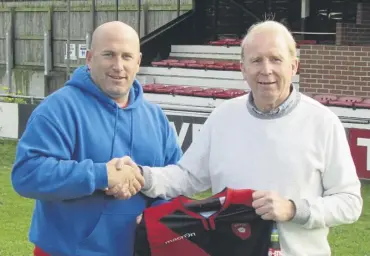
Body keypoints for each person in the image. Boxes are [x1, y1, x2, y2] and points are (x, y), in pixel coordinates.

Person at [116, 20, 363, 255]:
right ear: (243, 68)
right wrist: (142, 175)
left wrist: (294, 209)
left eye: (276, 59)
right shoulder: (223, 116)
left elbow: (349, 202)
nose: (266, 70)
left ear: (294, 66)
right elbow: (187, 177)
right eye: (256, 60)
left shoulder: (323, 122)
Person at [11, 21, 182, 256]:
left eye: (127, 56)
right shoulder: (58, 108)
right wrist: (102, 176)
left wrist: (156, 211)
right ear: (90, 58)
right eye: (109, 55)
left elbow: (177, 180)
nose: (118, 66)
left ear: (139, 62)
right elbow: (27, 174)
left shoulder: (156, 118)